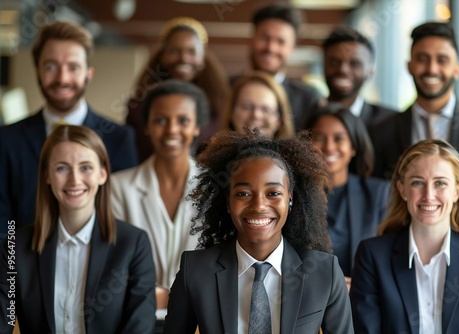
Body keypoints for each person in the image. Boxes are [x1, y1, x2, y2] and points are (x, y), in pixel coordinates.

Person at [163, 130, 354, 333]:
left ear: (290, 199)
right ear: (228, 201)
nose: (259, 205)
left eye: (273, 193)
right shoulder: (195, 271)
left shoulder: (324, 273)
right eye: (244, 193)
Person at [0, 125, 156, 334]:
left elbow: (139, 328)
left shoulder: (134, 243)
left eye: (85, 167)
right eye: (61, 168)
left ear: (103, 174)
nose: (74, 180)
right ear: (47, 175)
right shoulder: (14, 245)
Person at [0, 21, 138, 238]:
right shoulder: (7, 140)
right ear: (38, 71)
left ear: (88, 74)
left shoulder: (119, 139)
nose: (62, 79)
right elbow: (3, 223)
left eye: (73, 68)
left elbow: (122, 219)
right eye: (51, 67)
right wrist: (11, 269)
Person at [350, 139, 459, 333]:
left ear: (457, 191)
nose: (428, 195)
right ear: (402, 189)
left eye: (440, 183)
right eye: (417, 182)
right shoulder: (372, 256)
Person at [369, 22, 459, 239]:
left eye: (442, 60)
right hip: (402, 256)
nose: (431, 68)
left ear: (457, 69)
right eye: (422, 58)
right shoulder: (382, 131)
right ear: (409, 66)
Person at [111, 80, 208, 309]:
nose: (172, 130)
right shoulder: (117, 188)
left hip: (198, 321)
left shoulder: (215, 189)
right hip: (136, 319)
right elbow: (114, 264)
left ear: (197, 126)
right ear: (146, 126)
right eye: (160, 120)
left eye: (183, 120)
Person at [306, 103, 389, 281]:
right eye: (319, 137)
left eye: (339, 138)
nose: (329, 147)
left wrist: (358, 287)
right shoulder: (294, 195)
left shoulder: (378, 194)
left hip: (359, 299)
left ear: (353, 147)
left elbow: (388, 260)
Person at [127, 17, 229, 161]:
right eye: (175, 51)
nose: (183, 58)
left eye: (192, 52)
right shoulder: (138, 107)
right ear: (162, 56)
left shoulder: (220, 108)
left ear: (203, 58)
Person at [234, 3, 323, 129]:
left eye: (281, 41)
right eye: (265, 38)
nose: (271, 48)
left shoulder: (308, 100)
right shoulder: (226, 89)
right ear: (251, 40)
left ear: (292, 49)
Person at [322, 26, 397, 127]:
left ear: (370, 71)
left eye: (354, 64)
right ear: (323, 65)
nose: (343, 70)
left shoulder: (390, 122)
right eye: (334, 62)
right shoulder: (303, 116)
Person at [220, 71, 294, 139]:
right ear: (231, 112)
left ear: (279, 119)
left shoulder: (293, 153)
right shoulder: (211, 153)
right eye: (247, 107)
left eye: (266, 109)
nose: (256, 115)